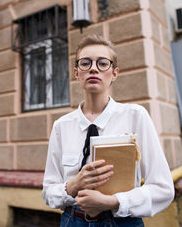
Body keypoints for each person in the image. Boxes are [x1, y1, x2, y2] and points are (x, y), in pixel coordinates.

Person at [42, 34, 174, 227]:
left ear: (114, 73)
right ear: (76, 73)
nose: (93, 68)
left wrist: (113, 201)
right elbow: (48, 191)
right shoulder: (62, 126)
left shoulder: (135, 116)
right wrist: (73, 186)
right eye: (85, 63)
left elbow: (163, 189)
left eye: (103, 63)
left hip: (122, 221)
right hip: (73, 221)